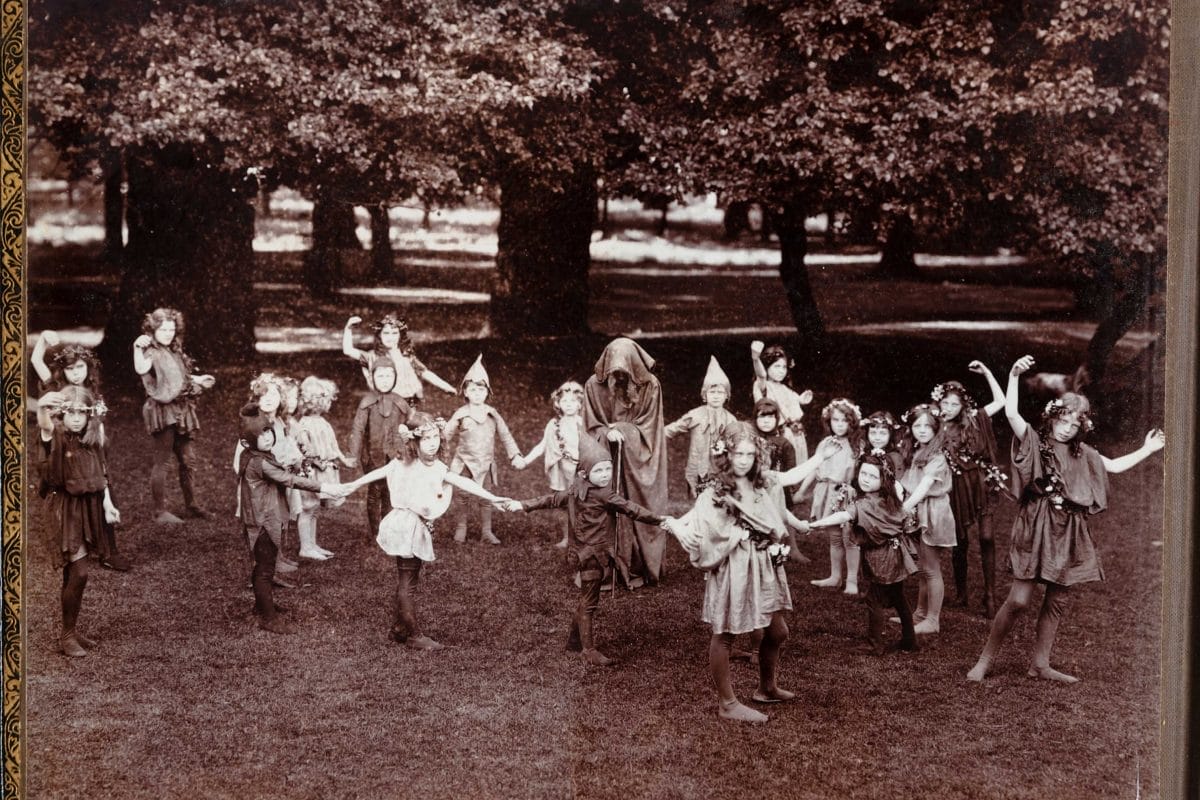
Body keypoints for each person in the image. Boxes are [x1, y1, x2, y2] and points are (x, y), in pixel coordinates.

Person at [967, 355, 1165, 684]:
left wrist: (1148, 449)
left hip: (1069, 529)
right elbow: (1012, 413)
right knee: (1018, 600)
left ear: (1081, 428)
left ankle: (1040, 664)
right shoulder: (1035, 442)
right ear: (1052, 417)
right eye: (1063, 421)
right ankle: (985, 660)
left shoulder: (1083, 453)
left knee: (1057, 599)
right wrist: (1014, 375)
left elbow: (1114, 466)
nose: (1066, 429)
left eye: (1074, 425)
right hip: (1037, 525)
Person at [663, 423, 824, 724]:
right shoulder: (716, 491)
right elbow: (706, 526)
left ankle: (766, 688)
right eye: (738, 454)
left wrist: (821, 456)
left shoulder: (760, 482)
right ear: (726, 454)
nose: (744, 460)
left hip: (762, 564)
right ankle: (727, 703)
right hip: (734, 564)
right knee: (725, 633)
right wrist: (683, 527)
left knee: (777, 631)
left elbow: (789, 479)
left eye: (750, 454)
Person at [336, 412, 509, 649]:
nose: (433, 443)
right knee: (408, 581)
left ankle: (399, 628)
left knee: (408, 577)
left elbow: (463, 482)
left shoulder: (434, 467)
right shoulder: (403, 463)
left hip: (410, 525)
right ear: (413, 442)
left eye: (436, 437)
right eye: (426, 439)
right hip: (407, 526)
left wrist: (492, 497)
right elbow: (379, 473)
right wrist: (352, 485)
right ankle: (414, 636)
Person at [501, 435, 668, 666]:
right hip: (594, 555)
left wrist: (522, 504)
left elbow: (550, 499)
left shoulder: (575, 490)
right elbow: (632, 509)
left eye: (608, 469)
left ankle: (574, 642)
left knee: (586, 597)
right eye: (599, 470)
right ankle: (588, 651)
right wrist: (659, 520)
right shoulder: (605, 494)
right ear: (584, 473)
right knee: (589, 601)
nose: (606, 475)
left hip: (581, 552)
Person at [235, 404, 341, 634]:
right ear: (247, 441)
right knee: (265, 570)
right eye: (260, 435)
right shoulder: (260, 462)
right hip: (263, 521)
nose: (266, 437)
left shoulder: (254, 455)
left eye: (268, 431)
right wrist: (325, 487)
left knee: (263, 566)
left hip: (259, 519)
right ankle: (268, 618)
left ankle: (262, 606)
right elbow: (288, 480)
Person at [34, 387, 121, 656]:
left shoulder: (92, 439)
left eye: (81, 413)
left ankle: (70, 630)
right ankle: (67, 635)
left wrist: (108, 504)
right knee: (80, 572)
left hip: (88, 508)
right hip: (64, 509)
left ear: (89, 415)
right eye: (70, 412)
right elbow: (45, 425)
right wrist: (42, 407)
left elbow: (102, 474)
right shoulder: (57, 436)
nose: (75, 418)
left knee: (73, 572)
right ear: (61, 414)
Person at [810, 453, 919, 655]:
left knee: (873, 599)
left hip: (881, 558)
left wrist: (817, 524)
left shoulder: (865, 504)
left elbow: (844, 515)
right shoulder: (890, 499)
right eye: (863, 474)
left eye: (872, 476)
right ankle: (909, 640)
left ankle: (875, 644)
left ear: (883, 479)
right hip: (896, 554)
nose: (866, 479)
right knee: (899, 597)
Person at [582, 337, 670, 586]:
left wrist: (622, 430)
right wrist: (606, 432)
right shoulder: (593, 385)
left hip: (637, 456)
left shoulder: (650, 385)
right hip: (605, 456)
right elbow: (589, 425)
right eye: (614, 372)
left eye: (624, 372)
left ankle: (639, 566)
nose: (619, 377)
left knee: (637, 506)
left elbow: (649, 426)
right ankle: (607, 567)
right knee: (604, 506)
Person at [932, 362, 1006, 617]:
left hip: (980, 483)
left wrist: (987, 372)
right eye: (945, 403)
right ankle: (962, 593)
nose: (949, 408)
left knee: (986, 537)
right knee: (960, 540)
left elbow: (1001, 401)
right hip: (955, 487)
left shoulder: (975, 419)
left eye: (954, 404)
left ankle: (990, 595)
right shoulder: (935, 426)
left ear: (963, 406)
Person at [133, 307, 215, 524]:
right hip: (163, 410)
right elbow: (141, 368)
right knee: (163, 460)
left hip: (180, 409)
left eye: (171, 329)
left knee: (188, 459)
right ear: (153, 329)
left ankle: (192, 504)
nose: (168, 333)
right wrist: (136, 347)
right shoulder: (150, 351)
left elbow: (178, 377)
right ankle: (159, 512)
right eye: (163, 329)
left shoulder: (174, 350)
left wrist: (198, 379)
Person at [444, 355, 521, 544]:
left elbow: (505, 435)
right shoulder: (461, 414)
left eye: (481, 389)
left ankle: (486, 531)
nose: (477, 393)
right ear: (465, 392)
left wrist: (515, 455)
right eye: (472, 389)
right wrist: (434, 451)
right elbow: (445, 435)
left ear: (487, 392)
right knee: (462, 495)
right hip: (464, 462)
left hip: (485, 463)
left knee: (486, 496)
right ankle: (461, 527)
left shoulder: (492, 414)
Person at [897, 403, 956, 635]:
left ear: (936, 429)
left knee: (931, 568)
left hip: (933, 512)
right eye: (917, 426)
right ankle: (920, 613)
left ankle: (933, 620)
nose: (922, 430)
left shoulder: (937, 457)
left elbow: (922, 489)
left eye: (927, 426)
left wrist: (902, 509)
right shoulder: (918, 452)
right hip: (920, 509)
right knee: (923, 567)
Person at [514, 380, 586, 548]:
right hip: (559, 470)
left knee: (580, 504)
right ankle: (566, 537)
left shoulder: (583, 423)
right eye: (564, 401)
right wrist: (525, 461)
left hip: (578, 470)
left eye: (573, 401)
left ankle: (581, 537)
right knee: (561, 504)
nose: (569, 404)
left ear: (580, 404)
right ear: (558, 403)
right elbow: (542, 446)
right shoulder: (553, 425)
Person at [346, 356, 412, 537]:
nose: (385, 380)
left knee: (391, 491)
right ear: (373, 378)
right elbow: (358, 429)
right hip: (372, 455)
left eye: (389, 376)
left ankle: (387, 530)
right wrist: (353, 454)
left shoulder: (400, 402)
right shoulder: (367, 403)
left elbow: (412, 422)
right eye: (380, 376)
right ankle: (376, 531)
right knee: (375, 491)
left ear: (395, 377)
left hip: (396, 455)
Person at [292, 376, 356, 560]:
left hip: (323, 470)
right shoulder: (304, 425)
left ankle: (311, 544)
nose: (329, 404)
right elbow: (303, 449)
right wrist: (316, 461)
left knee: (314, 509)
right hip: (311, 471)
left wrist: (343, 460)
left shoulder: (322, 422)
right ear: (316, 401)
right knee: (308, 508)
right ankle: (305, 547)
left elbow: (333, 445)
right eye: (327, 400)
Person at [805, 398, 863, 594]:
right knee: (835, 538)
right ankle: (835, 576)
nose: (839, 424)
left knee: (849, 538)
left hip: (846, 492)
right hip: (828, 492)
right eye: (835, 420)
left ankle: (852, 580)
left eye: (844, 420)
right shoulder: (825, 443)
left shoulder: (856, 445)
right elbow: (815, 467)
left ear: (852, 423)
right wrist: (801, 492)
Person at [342, 314, 455, 406]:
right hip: (386, 404)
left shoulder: (406, 355)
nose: (390, 337)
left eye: (394, 333)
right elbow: (348, 350)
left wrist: (445, 386)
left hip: (410, 402)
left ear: (400, 335)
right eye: (386, 333)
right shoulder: (372, 356)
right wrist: (348, 328)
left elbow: (425, 373)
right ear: (379, 335)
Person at [665, 356, 738, 497]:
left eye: (720, 392)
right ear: (705, 395)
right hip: (697, 468)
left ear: (726, 395)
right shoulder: (695, 415)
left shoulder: (730, 420)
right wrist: (652, 434)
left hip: (720, 469)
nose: (716, 396)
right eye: (712, 392)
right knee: (697, 501)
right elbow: (673, 429)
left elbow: (737, 443)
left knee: (718, 500)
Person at [750, 340, 813, 461]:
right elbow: (761, 375)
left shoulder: (785, 388)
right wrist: (756, 359)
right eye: (777, 366)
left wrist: (802, 400)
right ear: (767, 366)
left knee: (799, 461)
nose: (781, 371)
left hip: (796, 433)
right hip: (780, 434)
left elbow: (794, 401)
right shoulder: (765, 386)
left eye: (784, 367)